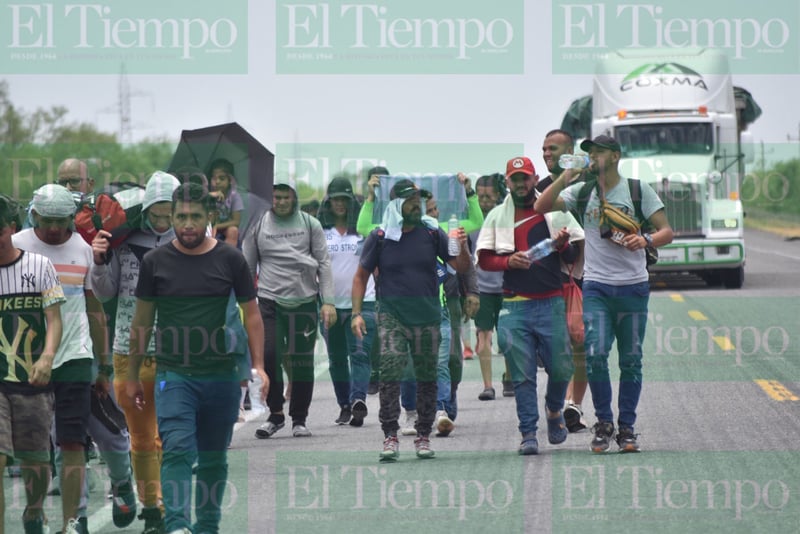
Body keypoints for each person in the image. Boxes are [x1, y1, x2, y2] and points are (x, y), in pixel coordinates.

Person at [127, 182, 267, 534]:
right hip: (173, 373)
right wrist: (132, 374)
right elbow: (142, 320)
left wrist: (259, 366)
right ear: (171, 217)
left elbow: (251, 313)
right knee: (175, 448)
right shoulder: (154, 262)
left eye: (194, 216)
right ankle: (176, 525)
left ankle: (207, 526)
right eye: (180, 217)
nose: (187, 224)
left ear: (210, 217)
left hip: (220, 376)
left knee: (212, 458)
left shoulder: (230, 259)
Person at [534, 135, 674, 453]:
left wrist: (646, 240)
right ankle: (604, 422)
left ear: (614, 157)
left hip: (633, 286)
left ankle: (627, 428)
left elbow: (666, 231)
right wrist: (566, 177)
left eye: (598, 153)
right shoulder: (583, 192)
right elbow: (541, 205)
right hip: (596, 285)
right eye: (590, 153)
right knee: (595, 354)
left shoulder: (637, 190)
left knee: (631, 360)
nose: (593, 157)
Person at [13, 184, 137, 533]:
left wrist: (104, 362)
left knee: (78, 438)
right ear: (34, 215)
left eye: (62, 221)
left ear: (72, 217)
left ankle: (77, 517)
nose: (54, 228)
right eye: (47, 220)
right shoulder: (17, 245)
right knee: (38, 443)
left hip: (75, 357)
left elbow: (96, 311)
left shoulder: (82, 249)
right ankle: (37, 511)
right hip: (25, 363)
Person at [352, 179, 471, 461]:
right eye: (410, 202)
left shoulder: (432, 233)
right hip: (391, 314)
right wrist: (357, 314)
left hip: (428, 316)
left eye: (418, 201)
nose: (416, 206)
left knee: (427, 376)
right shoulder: (381, 236)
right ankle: (390, 435)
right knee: (391, 372)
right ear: (396, 205)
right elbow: (360, 277)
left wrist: (462, 247)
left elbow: (459, 267)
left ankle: (423, 435)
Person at [91, 170, 181, 533]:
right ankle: (152, 509)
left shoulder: (193, 239)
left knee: (174, 436)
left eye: (169, 213)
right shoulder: (123, 239)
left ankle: (172, 505)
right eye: (156, 214)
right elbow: (105, 292)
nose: (162, 221)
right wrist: (99, 260)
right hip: (130, 350)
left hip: (179, 351)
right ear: (144, 210)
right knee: (142, 437)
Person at [476, 156, 582, 456]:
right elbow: (483, 259)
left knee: (561, 368)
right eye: (515, 179)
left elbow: (572, 256)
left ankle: (553, 410)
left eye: (526, 178)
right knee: (522, 375)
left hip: (551, 303)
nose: (521, 184)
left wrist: (562, 244)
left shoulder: (554, 210)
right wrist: (507, 260)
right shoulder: (498, 216)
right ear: (507, 183)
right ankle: (528, 433)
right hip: (514, 307)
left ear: (535, 180)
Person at [243, 183, 336, 439]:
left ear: (295, 198)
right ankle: (275, 415)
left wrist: (328, 301)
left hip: (304, 301)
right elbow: (249, 266)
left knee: (301, 361)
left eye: (286, 197)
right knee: (269, 353)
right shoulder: (258, 224)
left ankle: (299, 418)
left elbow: (324, 264)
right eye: (276, 197)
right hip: (269, 300)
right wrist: (246, 302)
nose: (281, 201)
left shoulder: (309, 224)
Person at [0, 193, 65, 534]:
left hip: (32, 381)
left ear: (11, 228)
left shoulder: (39, 267)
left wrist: (47, 357)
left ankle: (33, 511)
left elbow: (54, 319)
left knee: (36, 465)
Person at [539, 129, 589, 432]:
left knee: (581, 343)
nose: (546, 153)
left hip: (589, 274)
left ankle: (574, 405)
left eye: (553, 149)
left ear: (569, 152)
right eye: (543, 149)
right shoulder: (540, 189)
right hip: (550, 275)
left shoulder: (587, 186)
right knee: (558, 348)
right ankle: (560, 403)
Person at [316, 176, 376, 427]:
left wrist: (373, 195)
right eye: (335, 199)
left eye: (345, 199)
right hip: (330, 305)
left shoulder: (363, 229)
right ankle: (344, 405)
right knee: (337, 359)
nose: (340, 204)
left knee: (360, 355)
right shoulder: (320, 231)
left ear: (353, 202)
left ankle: (358, 401)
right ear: (328, 203)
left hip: (363, 304)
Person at [472, 173, 514, 401]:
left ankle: (509, 377)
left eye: (488, 196)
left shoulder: (507, 218)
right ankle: (488, 385)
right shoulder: (473, 223)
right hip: (482, 290)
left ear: (498, 195)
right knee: (483, 336)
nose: (484, 201)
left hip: (507, 288)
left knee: (506, 337)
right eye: (480, 196)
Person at [207, 158, 244, 247]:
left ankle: (227, 256)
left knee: (233, 231)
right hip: (208, 225)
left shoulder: (234, 196)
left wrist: (217, 226)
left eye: (222, 178)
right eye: (214, 178)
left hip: (224, 226)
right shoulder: (207, 193)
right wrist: (209, 196)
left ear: (230, 180)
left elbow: (236, 221)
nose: (217, 182)